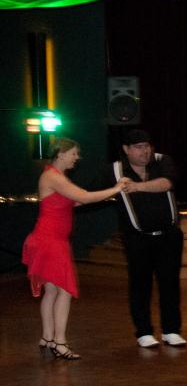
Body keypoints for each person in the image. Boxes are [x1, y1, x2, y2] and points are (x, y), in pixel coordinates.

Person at [22, 138, 127, 360]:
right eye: (74, 153)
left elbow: (76, 201)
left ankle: (48, 337)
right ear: (61, 154)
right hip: (50, 241)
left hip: (50, 239)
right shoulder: (53, 177)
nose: (77, 158)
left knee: (52, 291)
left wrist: (109, 192)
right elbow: (84, 198)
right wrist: (116, 188)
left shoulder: (56, 177)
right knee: (65, 291)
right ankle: (60, 342)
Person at [108, 129, 187, 348]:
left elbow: (166, 183)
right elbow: (91, 191)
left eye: (147, 146)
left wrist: (136, 187)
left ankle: (171, 330)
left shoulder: (162, 161)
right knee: (140, 285)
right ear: (126, 149)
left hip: (168, 236)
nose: (145, 151)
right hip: (137, 238)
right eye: (139, 147)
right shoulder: (116, 170)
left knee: (170, 283)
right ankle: (143, 332)